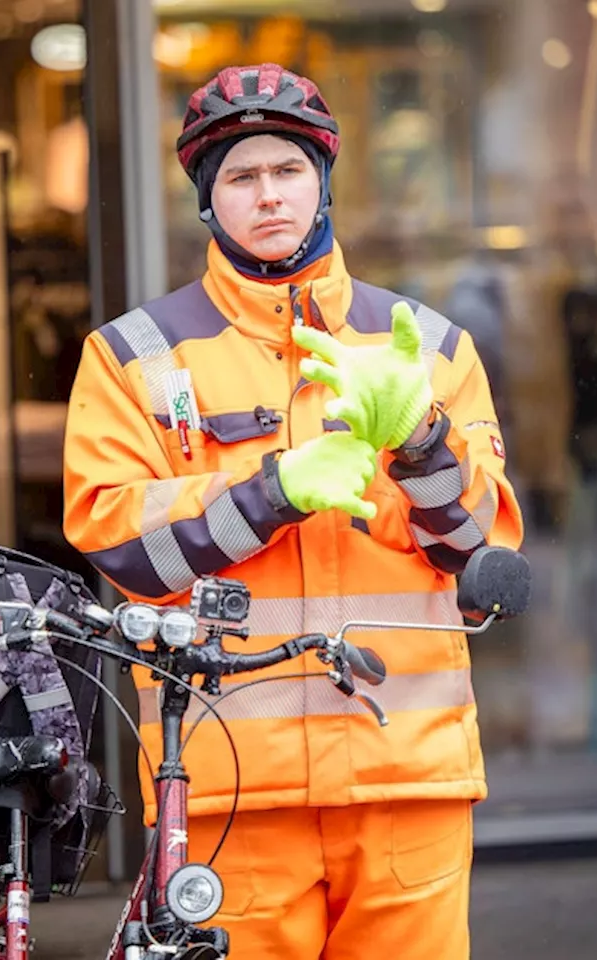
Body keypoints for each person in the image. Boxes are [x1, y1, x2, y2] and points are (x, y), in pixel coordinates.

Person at [62, 64, 524, 959]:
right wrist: (274, 491)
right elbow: (120, 547)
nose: (268, 194)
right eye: (240, 176)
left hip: (407, 782)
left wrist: (422, 442)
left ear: (322, 181)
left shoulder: (427, 349)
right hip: (234, 788)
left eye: (288, 169)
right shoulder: (132, 358)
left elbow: (480, 564)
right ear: (207, 200)